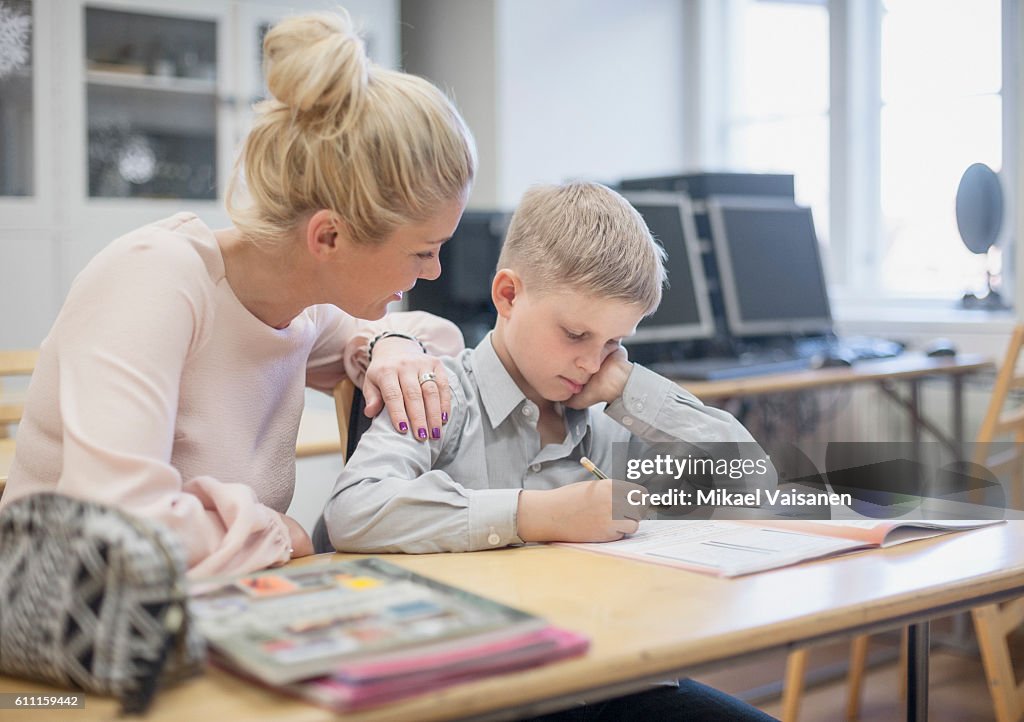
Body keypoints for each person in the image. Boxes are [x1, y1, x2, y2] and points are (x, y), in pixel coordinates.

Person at [0, 9, 476, 579]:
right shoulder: (153, 281)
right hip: (81, 622)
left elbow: (434, 344)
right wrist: (277, 532)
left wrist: (393, 341)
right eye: (423, 250)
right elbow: (117, 527)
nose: (433, 272)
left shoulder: (304, 306)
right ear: (329, 235)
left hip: (213, 603)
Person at [322, 182, 777, 721]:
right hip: (482, 696)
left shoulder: (611, 412)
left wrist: (632, 387)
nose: (590, 362)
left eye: (613, 342)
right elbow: (353, 511)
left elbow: (752, 481)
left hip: (613, 681)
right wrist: (537, 515)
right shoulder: (438, 393)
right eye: (575, 334)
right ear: (508, 296)